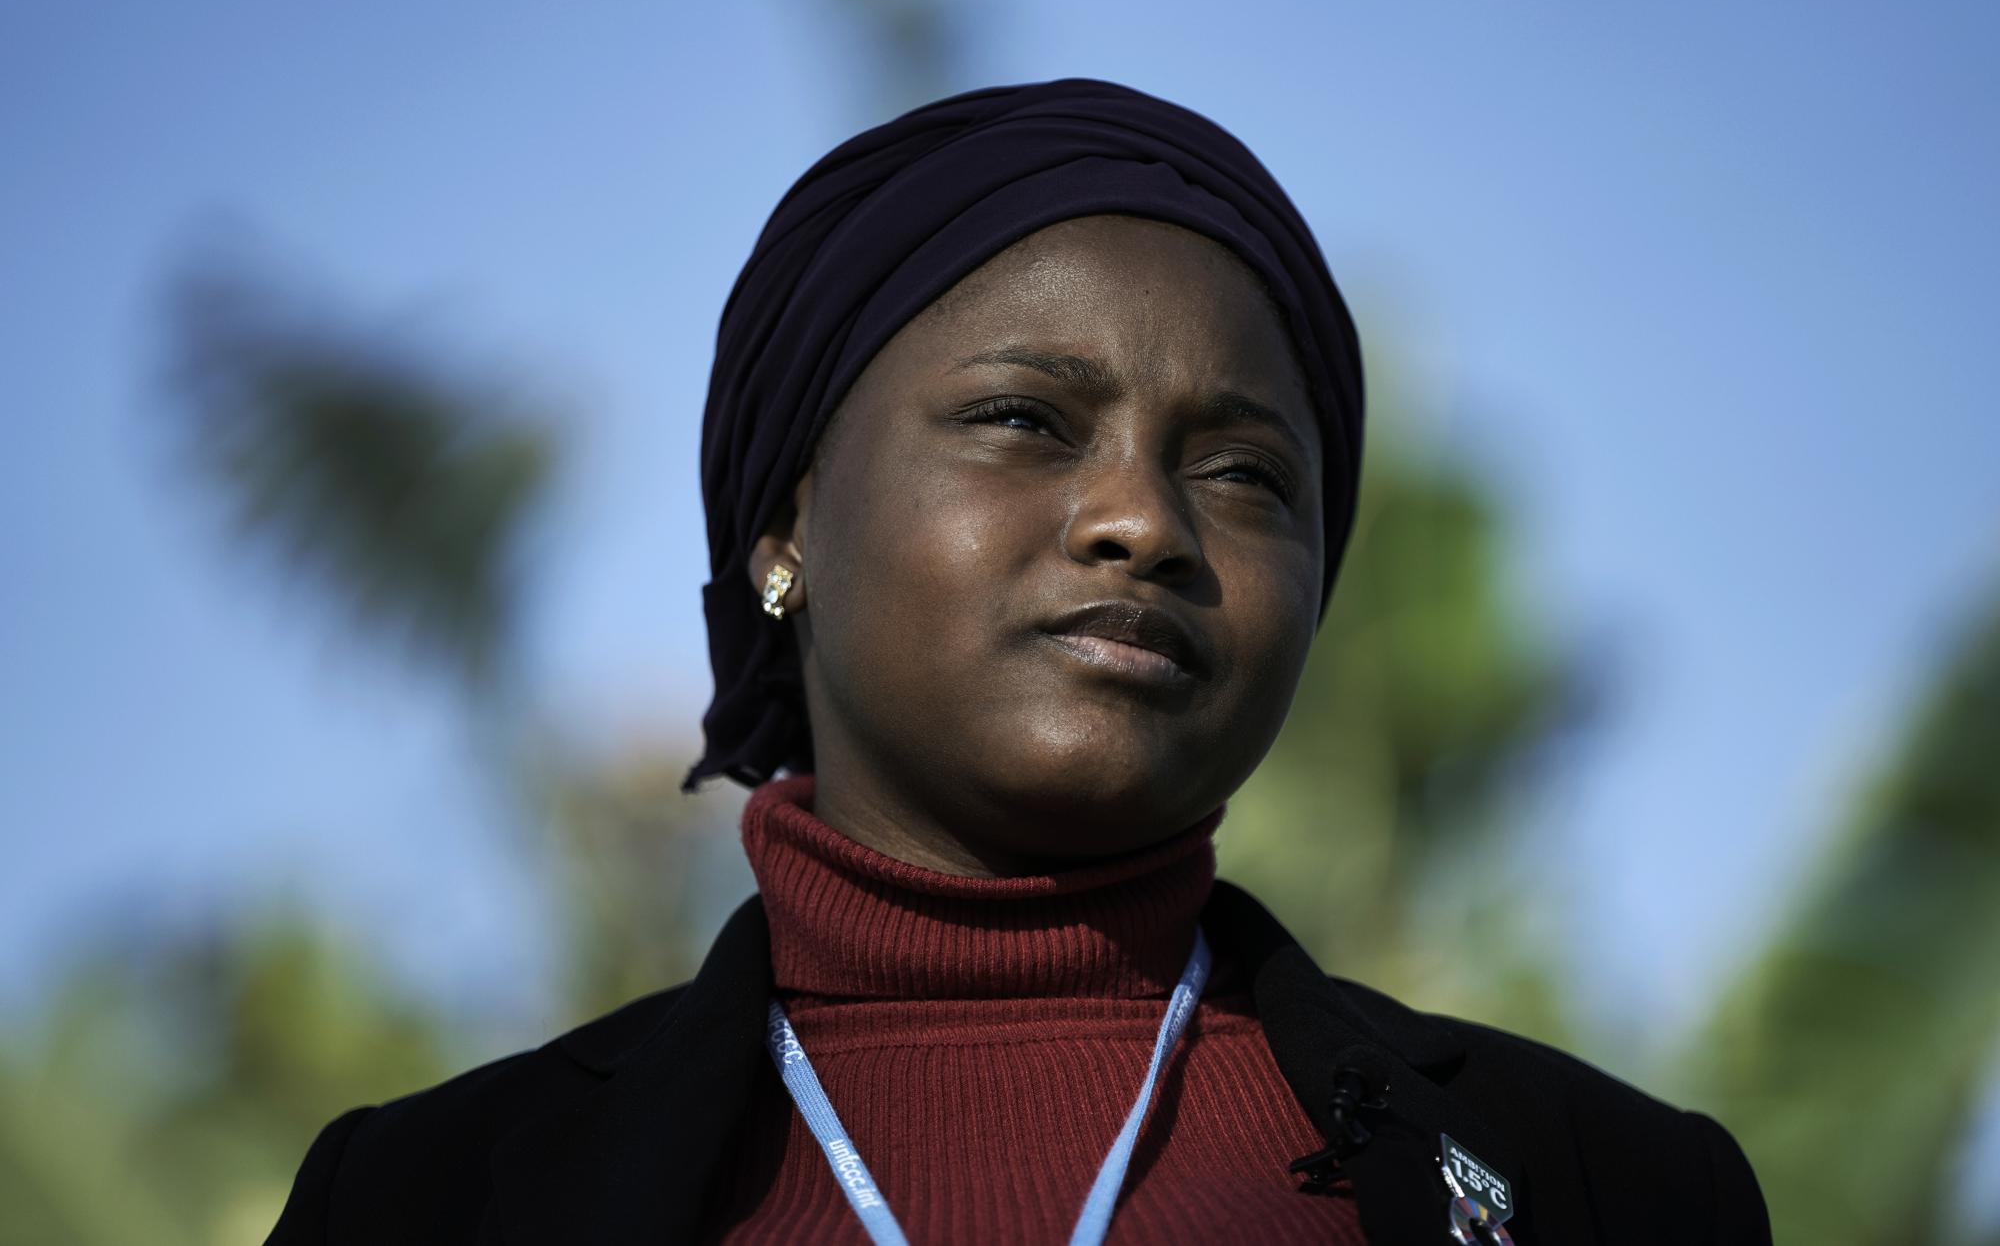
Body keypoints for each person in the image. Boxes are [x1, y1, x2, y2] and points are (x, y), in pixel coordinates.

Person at [267, 78, 1771, 1245]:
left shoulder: (1605, 1191)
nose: (1142, 520)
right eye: (1026, 422)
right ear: (788, 521)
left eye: (1247, 473)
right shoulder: (422, 1200)